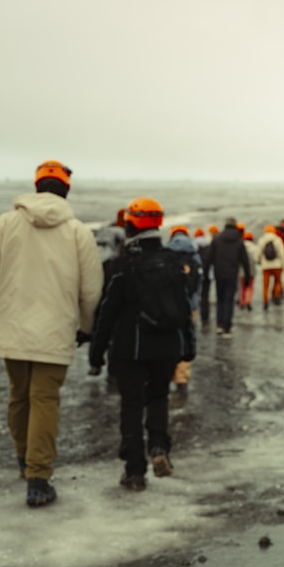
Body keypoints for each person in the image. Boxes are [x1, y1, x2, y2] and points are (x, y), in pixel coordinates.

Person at [0, 160, 103, 507]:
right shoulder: (77, 232)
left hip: (12, 329)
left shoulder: (6, 224)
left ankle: (23, 459)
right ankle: (38, 478)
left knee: (19, 395)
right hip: (55, 331)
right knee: (45, 399)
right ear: (65, 190)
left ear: (36, 186)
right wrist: (86, 328)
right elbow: (91, 290)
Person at [89, 197, 195, 491]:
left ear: (131, 224)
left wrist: (96, 355)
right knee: (158, 397)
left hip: (130, 350)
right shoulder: (174, 263)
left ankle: (135, 471)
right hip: (167, 348)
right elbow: (184, 309)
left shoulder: (121, 266)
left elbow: (106, 313)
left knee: (132, 406)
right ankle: (159, 447)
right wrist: (188, 347)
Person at [166, 225, 203, 392]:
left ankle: (167, 373)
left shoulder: (166, 254)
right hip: (190, 305)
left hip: (170, 304)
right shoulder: (194, 256)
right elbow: (199, 283)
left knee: (169, 338)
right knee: (187, 339)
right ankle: (182, 378)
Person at [202, 217, 251, 338]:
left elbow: (207, 258)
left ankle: (219, 325)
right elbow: (245, 260)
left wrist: (206, 274)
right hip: (232, 274)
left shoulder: (217, 239)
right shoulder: (239, 241)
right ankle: (227, 328)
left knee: (220, 299)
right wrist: (247, 277)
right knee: (229, 300)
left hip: (219, 274)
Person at [256, 224, 284, 310]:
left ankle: (265, 301)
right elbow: (282, 253)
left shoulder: (261, 240)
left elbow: (258, 253)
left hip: (265, 266)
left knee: (266, 285)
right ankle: (276, 296)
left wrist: (259, 262)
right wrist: (283, 264)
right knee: (277, 282)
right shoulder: (277, 239)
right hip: (277, 265)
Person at [194, 226, 214, 325]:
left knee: (196, 294)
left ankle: (194, 317)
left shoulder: (193, 244)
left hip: (197, 273)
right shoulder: (208, 244)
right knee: (206, 295)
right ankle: (205, 316)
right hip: (208, 274)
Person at [238, 228, 258, 312]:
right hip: (252, 269)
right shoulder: (254, 247)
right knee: (250, 286)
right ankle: (248, 301)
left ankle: (242, 302)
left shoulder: (240, 246)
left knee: (242, 286)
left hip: (241, 270)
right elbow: (256, 259)